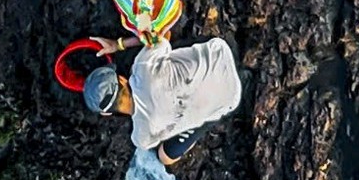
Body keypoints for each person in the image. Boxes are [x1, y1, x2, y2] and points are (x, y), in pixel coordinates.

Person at [83, 32, 242, 166]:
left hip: (228, 100)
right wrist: (118, 45)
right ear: (122, 80)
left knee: (165, 158)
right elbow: (159, 34)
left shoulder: (141, 137)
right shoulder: (142, 65)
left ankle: (200, 120)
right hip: (221, 52)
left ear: (107, 113)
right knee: (165, 48)